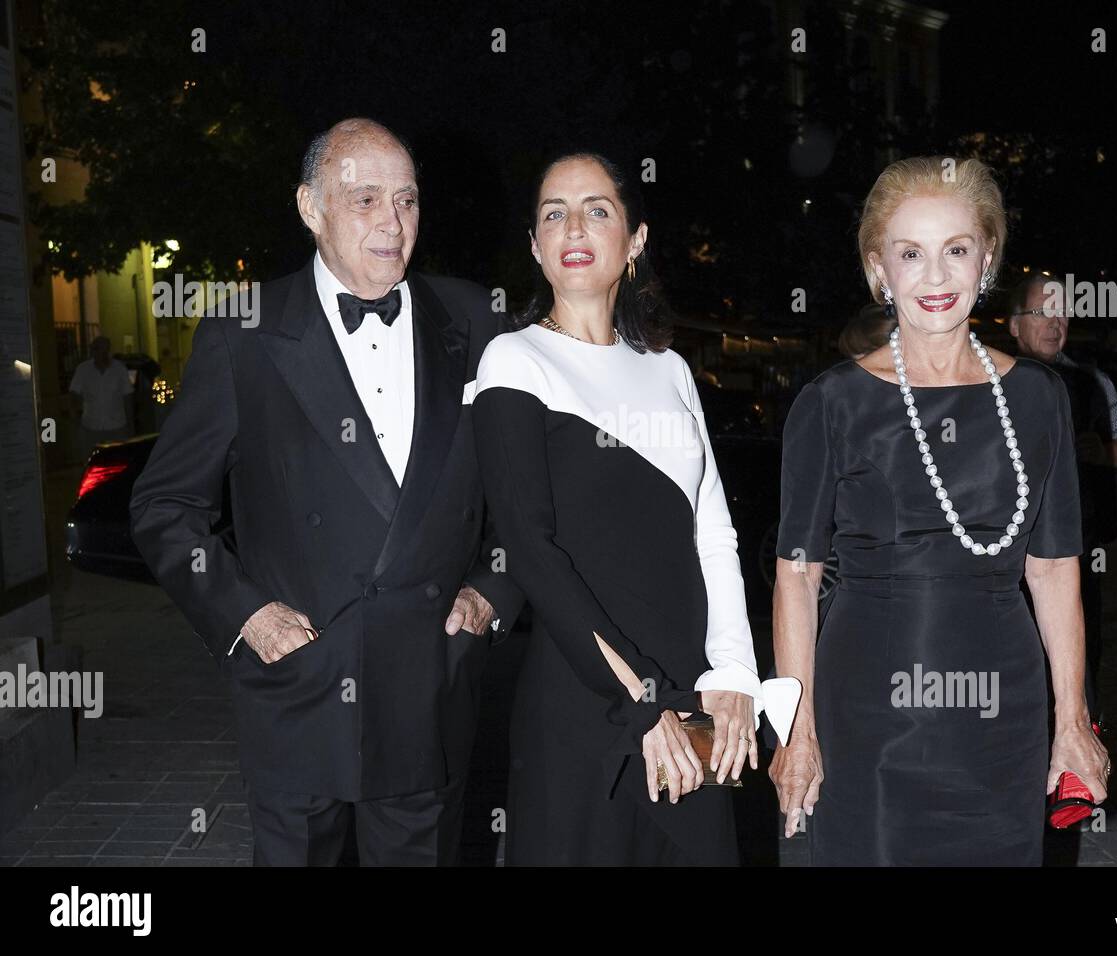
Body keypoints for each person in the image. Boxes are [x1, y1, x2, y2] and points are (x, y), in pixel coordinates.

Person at [130, 118, 523, 865]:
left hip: (429, 690)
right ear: (311, 208)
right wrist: (246, 614)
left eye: (406, 199)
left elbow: (521, 493)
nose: (392, 221)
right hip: (298, 689)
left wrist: (491, 590)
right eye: (365, 198)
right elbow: (164, 507)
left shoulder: (476, 319)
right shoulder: (244, 332)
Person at [770, 156, 1108, 865]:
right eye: (910, 254)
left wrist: (1071, 719)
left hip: (1003, 713)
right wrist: (796, 733)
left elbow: (1052, 569)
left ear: (987, 259)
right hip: (868, 711)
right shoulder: (833, 402)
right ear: (877, 269)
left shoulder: (1039, 397)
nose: (935, 277)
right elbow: (796, 579)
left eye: (956, 250)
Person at [471, 152, 797, 865]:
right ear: (534, 245)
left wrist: (734, 679)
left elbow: (714, 531)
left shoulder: (671, 369)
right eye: (553, 213)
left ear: (637, 239)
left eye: (597, 209)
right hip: (586, 703)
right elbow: (531, 549)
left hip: (689, 693)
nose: (573, 226)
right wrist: (644, 705)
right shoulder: (514, 360)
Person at [1008, 273, 1117, 721]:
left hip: (1073, 542)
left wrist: (1099, 451)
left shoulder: (1088, 381)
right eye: (1042, 312)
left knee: (1079, 642)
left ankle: (1079, 738)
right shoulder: (984, 380)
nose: (1055, 323)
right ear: (1014, 324)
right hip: (1004, 552)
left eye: (1062, 313)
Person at [69, 335, 134, 462]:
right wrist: (75, 420)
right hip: (91, 428)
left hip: (116, 428)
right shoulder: (83, 370)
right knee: (91, 465)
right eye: (99, 350)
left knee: (118, 463)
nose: (103, 354)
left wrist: (130, 424)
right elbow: (74, 395)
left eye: (105, 350)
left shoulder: (119, 369)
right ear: (93, 351)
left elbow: (127, 396)